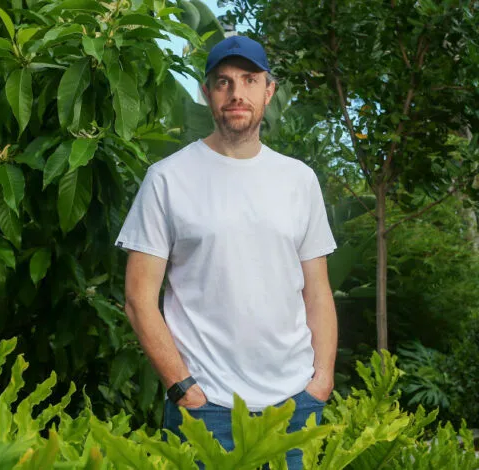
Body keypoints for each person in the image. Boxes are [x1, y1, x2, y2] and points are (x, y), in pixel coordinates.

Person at [114, 35, 337, 468]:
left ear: (268, 91)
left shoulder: (299, 180)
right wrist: (183, 389)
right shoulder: (167, 179)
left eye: (249, 80)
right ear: (206, 93)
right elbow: (138, 299)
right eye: (223, 82)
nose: (237, 94)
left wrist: (321, 381)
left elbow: (318, 291)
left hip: (294, 406)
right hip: (204, 407)